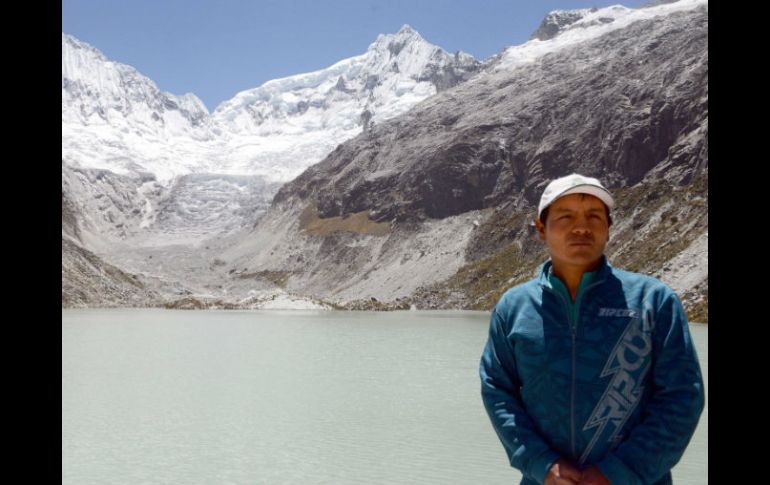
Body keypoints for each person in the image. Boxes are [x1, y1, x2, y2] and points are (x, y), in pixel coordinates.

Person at [479, 173, 704, 485]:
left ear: (609, 228)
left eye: (594, 216)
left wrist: (617, 473)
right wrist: (541, 463)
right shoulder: (514, 307)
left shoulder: (653, 300)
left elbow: (682, 397)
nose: (581, 227)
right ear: (541, 229)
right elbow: (497, 391)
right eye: (566, 216)